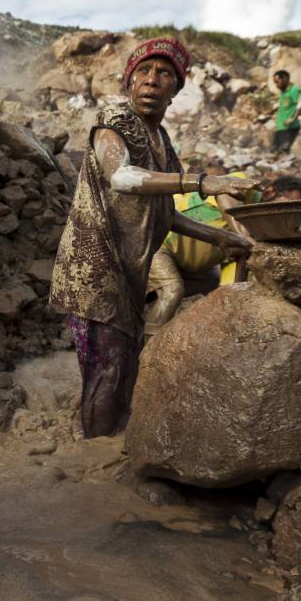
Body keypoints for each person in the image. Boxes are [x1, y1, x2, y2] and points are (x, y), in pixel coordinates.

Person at [49, 38, 257, 438]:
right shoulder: (116, 121)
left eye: (164, 74)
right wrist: (202, 181)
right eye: (143, 71)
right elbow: (122, 177)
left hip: (130, 270)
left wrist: (217, 237)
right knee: (108, 368)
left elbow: (165, 212)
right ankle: (95, 456)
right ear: (129, 82)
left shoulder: (164, 146)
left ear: (176, 91)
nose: (151, 81)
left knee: (124, 363)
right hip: (94, 265)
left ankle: (110, 439)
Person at [146, 166, 261, 328]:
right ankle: (147, 346)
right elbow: (224, 193)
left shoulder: (256, 235)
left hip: (191, 266)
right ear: (271, 192)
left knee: (213, 284)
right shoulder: (249, 187)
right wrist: (241, 233)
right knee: (172, 290)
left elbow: (232, 285)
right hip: (161, 244)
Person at [272, 70, 301, 153]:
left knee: (283, 151)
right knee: (274, 151)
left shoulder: (294, 90)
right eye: (275, 83)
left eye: (277, 82)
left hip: (290, 127)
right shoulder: (283, 91)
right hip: (281, 127)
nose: (276, 85)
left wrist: (293, 118)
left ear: (285, 79)